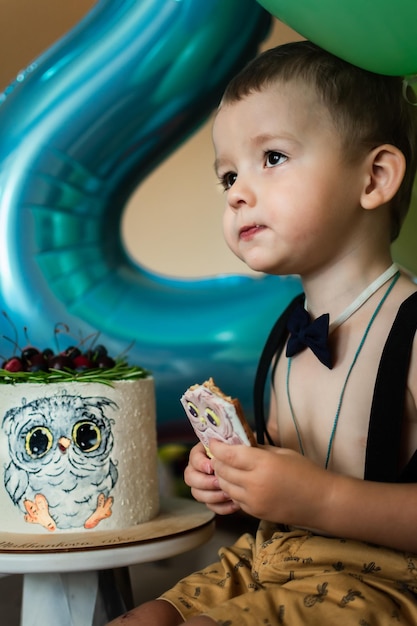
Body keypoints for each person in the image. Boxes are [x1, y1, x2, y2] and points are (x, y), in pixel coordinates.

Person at [108, 40, 417, 625]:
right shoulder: (286, 333)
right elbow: (286, 466)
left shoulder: (411, 327)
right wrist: (232, 473)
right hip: (271, 557)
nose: (237, 192)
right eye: (227, 176)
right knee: (143, 619)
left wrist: (320, 498)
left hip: (386, 580)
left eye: (271, 157)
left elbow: (318, 490)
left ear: (375, 177)